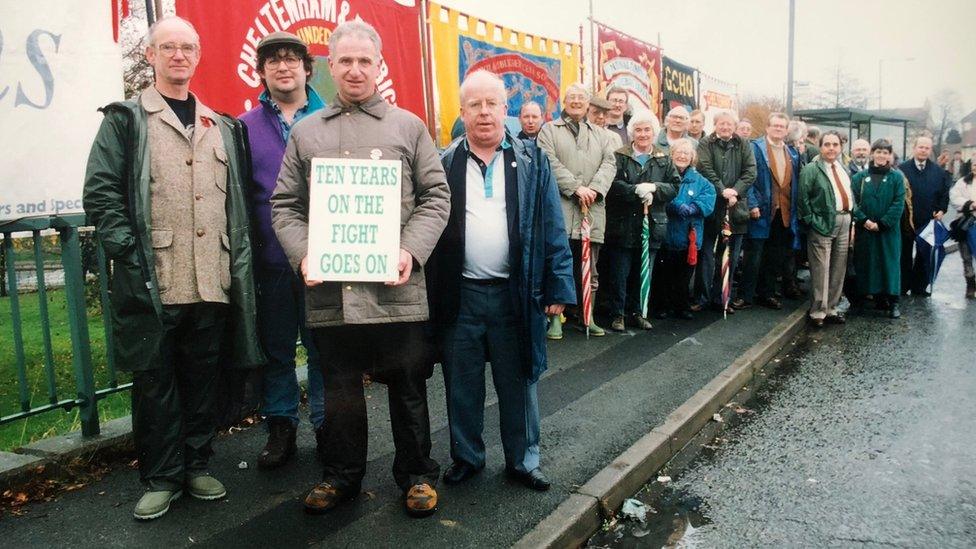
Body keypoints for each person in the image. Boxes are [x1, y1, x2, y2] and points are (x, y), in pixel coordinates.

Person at [82, 16, 264, 520]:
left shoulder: (222, 125)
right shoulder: (126, 119)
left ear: (199, 55)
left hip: (212, 277)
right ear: (151, 56)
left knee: (204, 377)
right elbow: (100, 193)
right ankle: (161, 476)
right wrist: (131, 254)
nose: (179, 56)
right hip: (152, 281)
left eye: (187, 47)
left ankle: (197, 464)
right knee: (155, 381)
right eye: (168, 48)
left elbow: (241, 205)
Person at [271, 20, 451, 517]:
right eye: (344, 61)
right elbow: (284, 205)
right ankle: (341, 477)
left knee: (409, 386)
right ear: (332, 65)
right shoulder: (306, 132)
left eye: (364, 60)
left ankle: (416, 475)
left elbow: (437, 196)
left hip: (397, 287)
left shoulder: (408, 127)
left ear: (379, 66)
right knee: (341, 389)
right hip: (334, 288)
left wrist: (409, 251)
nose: (354, 70)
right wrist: (305, 253)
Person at [428, 70, 575, 492]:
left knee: (519, 382)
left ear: (505, 109)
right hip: (463, 294)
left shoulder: (533, 160)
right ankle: (468, 458)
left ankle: (524, 460)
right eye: (474, 105)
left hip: (516, 292)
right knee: (462, 383)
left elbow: (551, 225)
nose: (484, 112)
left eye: (492, 103)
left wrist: (558, 286)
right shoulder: (445, 161)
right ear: (463, 112)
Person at [238, 32, 327, 469]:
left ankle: (329, 426)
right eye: (272, 61)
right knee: (276, 350)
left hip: (328, 259)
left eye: (292, 59)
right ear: (262, 72)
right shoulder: (244, 127)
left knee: (324, 347)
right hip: (272, 260)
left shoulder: (332, 117)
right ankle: (281, 428)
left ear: (307, 69)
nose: (283, 67)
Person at [538, 83, 617, 338]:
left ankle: (588, 316)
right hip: (561, 207)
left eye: (581, 98)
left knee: (590, 266)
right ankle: (555, 319)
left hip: (591, 209)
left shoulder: (601, 135)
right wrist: (575, 187)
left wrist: (593, 189)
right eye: (571, 97)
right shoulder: (549, 130)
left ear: (588, 104)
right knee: (558, 265)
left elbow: (609, 164)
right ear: (564, 101)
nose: (576, 102)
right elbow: (548, 160)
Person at [603, 110, 679, 331]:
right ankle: (618, 314)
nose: (643, 134)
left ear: (653, 132)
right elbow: (612, 184)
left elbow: (674, 186)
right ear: (631, 132)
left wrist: (656, 188)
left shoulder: (664, 158)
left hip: (652, 225)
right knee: (620, 273)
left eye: (647, 130)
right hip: (623, 224)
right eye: (638, 129)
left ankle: (639, 312)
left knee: (643, 271)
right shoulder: (620, 156)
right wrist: (634, 190)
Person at [737, 113, 802, 310]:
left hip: (784, 214)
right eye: (775, 126)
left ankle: (767, 293)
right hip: (761, 211)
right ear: (767, 127)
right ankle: (745, 296)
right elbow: (748, 178)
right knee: (753, 257)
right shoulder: (755, 148)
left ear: (786, 130)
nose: (778, 129)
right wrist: (752, 204)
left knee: (775, 257)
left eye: (782, 126)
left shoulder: (792, 154)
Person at [695, 111, 757, 314]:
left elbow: (750, 171)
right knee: (706, 254)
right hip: (712, 205)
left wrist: (735, 192)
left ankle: (722, 298)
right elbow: (705, 167)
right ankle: (702, 297)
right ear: (715, 125)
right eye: (721, 124)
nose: (725, 127)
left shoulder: (743, 144)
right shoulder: (706, 143)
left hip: (735, 207)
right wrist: (722, 190)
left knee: (729, 254)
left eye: (729, 124)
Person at [797, 131, 852, 327]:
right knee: (821, 269)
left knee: (839, 268)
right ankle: (818, 312)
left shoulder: (842, 167)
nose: (831, 148)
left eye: (835, 144)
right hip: (823, 223)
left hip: (844, 221)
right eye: (827, 144)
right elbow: (802, 199)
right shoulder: (812, 169)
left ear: (840, 147)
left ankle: (831, 308)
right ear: (820, 147)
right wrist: (813, 221)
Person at [660, 138, 716, 318]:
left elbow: (710, 196)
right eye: (679, 152)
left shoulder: (700, 180)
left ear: (692, 157)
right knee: (665, 273)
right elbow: (661, 194)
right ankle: (663, 306)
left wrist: (695, 207)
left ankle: (681, 306)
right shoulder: (665, 175)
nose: (682, 156)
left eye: (686, 153)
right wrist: (675, 205)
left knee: (685, 274)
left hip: (689, 236)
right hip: (667, 234)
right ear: (672, 154)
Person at [850, 139, 906, 318]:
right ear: (872, 153)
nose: (881, 155)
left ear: (890, 155)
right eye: (878, 151)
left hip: (888, 231)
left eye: (885, 152)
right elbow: (853, 202)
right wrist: (864, 220)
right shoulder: (859, 178)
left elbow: (898, 203)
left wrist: (882, 223)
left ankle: (893, 302)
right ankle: (868, 298)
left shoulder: (897, 177)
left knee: (889, 264)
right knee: (867, 263)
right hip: (865, 230)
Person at [898, 136, 951, 296]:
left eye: (927, 148)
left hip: (928, 221)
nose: (923, 150)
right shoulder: (901, 170)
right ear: (914, 148)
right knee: (904, 254)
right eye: (920, 147)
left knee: (924, 254)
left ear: (930, 150)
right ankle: (902, 285)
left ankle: (919, 286)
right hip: (906, 221)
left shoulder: (938, 172)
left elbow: (944, 194)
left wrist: (942, 210)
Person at [949, 160, 976, 298]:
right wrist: (970, 204)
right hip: (966, 223)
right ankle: (970, 283)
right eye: (975, 165)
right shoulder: (963, 182)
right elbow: (954, 198)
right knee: (966, 256)